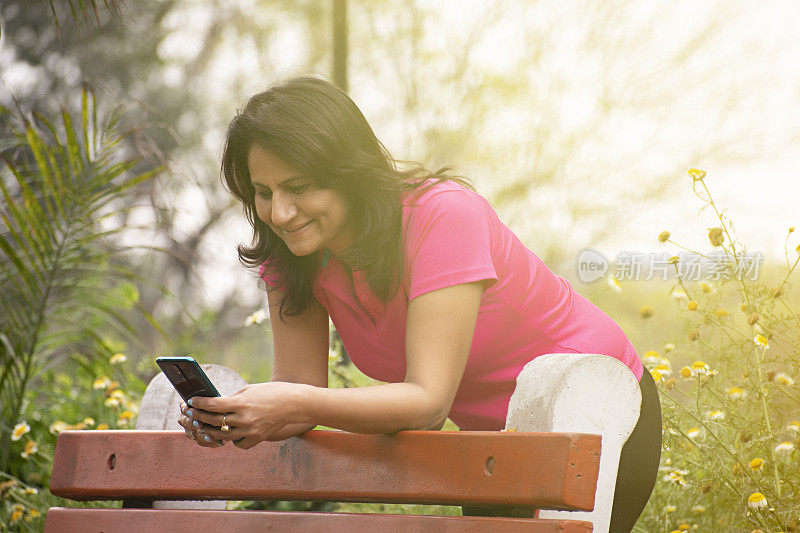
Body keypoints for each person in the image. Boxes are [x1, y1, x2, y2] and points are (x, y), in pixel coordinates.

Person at [177, 76, 661, 531]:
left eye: (299, 188)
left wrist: (292, 402)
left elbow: (428, 402)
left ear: (348, 173)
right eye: (263, 192)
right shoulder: (291, 255)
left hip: (596, 409)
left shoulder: (443, 216)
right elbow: (300, 395)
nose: (280, 213)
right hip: (494, 443)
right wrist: (235, 415)